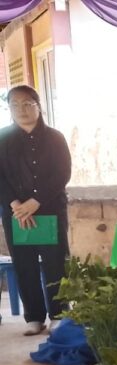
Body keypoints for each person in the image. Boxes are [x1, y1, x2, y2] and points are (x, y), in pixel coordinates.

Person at [0, 86, 72, 335]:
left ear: (38, 106)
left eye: (27, 104)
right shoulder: (2, 139)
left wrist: (36, 201)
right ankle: (34, 317)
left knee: (55, 263)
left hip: (50, 209)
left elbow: (62, 174)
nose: (21, 109)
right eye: (15, 105)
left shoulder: (55, 138)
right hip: (16, 214)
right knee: (24, 263)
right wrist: (15, 205)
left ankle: (59, 315)